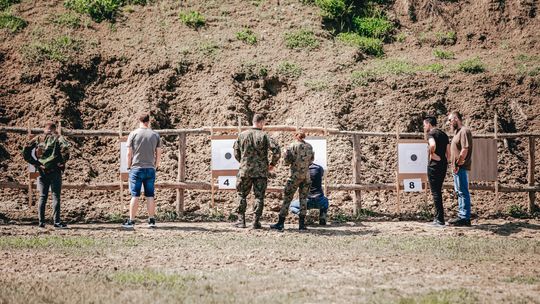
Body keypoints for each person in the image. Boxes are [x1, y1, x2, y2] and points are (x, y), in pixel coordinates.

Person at [233, 114, 280, 229]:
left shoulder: (242, 135)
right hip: (261, 172)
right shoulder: (265, 136)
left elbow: (236, 152)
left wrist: (243, 162)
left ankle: (241, 221)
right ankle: (255, 222)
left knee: (241, 195)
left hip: (245, 171)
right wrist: (272, 164)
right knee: (259, 196)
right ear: (261, 122)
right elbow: (277, 151)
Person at [22, 122, 70, 229]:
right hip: (55, 170)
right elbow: (66, 149)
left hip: (42, 170)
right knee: (56, 196)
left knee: (42, 196)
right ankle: (57, 222)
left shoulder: (39, 138)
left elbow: (25, 150)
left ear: (45, 129)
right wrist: (62, 162)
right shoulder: (58, 138)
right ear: (54, 129)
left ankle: (41, 222)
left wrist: (36, 163)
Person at [122, 113, 162, 229]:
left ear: (139, 121)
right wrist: (156, 166)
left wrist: (129, 166)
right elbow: (158, 153)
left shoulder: (133, 134)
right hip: (150, 168)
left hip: (136, 168)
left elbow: (129, 153)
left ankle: (131, 221)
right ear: (148, 121)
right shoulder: (155, 135)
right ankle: (151, 220)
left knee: (135, 195)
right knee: (150, 195)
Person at [271, 131, 314, 230]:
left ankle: (281, 223)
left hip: (294, 176)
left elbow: (286, 161)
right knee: (303, 199)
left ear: (295, 136)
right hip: (306, 176)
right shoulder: (309, 147)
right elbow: (311, 161)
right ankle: (302, 225)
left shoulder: (292, 146)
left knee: (287, 199)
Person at [448, 111, 473, 227]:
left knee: (463, 192)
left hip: (460, 167)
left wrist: (458, 164)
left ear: (456, 119)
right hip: (457, 167)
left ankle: (464, 217)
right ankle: (462, 216)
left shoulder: (464, 131)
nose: (449, 123)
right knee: (460, 192)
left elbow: (465, 150)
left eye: (450, 120)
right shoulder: (458, 132)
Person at [423, 116, 450, 227]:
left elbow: (432, 145)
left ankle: (439, 219)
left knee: (435, 193)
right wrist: (443, 161)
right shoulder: (444, 135)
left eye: (424, 125)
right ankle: (438, 218)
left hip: (434, 166)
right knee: (438, 191)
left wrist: (432, 154)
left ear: (429, 124)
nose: (424, 127)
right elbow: (449, 153)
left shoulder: (431, 134)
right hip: (443, 165)